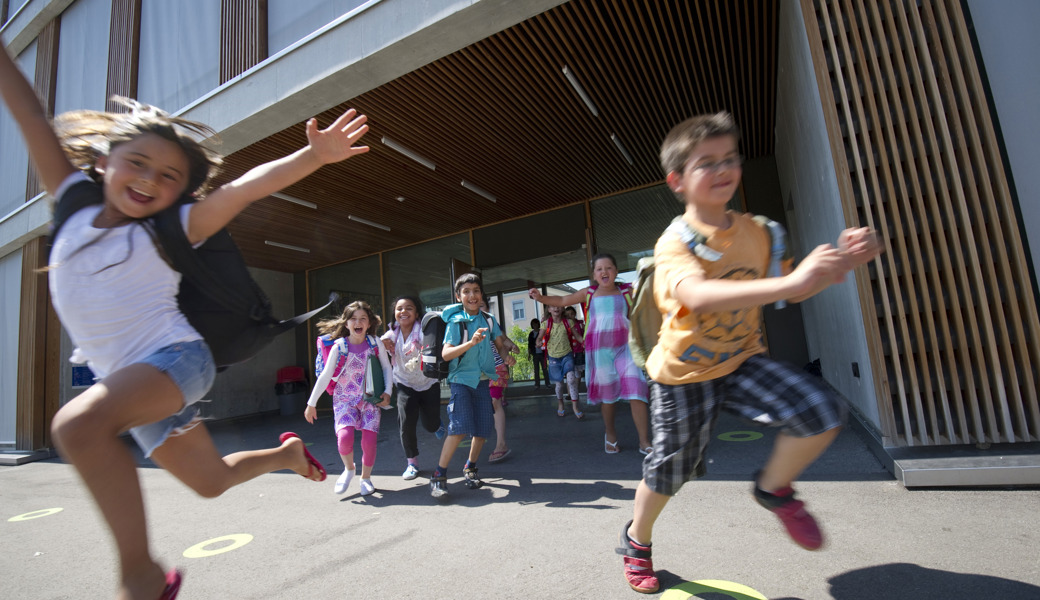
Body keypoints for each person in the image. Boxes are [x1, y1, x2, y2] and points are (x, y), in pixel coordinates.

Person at [0, 44, 369, 600]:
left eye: (169, 175)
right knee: (210, 482)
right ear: (104, 161)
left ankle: (141, 577)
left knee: (76, 427)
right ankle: (285, 454)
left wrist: (312, 156)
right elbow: (30, 114)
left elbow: (243, 190)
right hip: (129, 382)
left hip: (175, 360)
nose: (150, 180)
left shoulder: (172, 228)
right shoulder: (73, 201)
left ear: (180, 191)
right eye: (138, 163)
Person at [615, 112, 882, 593]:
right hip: (683, 375)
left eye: (731, 159)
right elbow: (694, 295)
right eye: (707, 163)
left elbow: (791, 291)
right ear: (677, 180)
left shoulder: (761, 232)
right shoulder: (676, 242)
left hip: (741, 361)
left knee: (820, 411)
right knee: (669, 473)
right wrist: (795, 279)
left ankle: (773, 488)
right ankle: (637, 540)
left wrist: (839, 260)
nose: (723, 169)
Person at [530, 256, 652, 454]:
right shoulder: (590, 293)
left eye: (609, 268)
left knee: (637, 390)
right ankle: (610, 436)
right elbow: (561, 300)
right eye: (599, 269)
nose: (604, 271)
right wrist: (540, 298)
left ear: (616, 271)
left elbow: (651, 291)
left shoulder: (626, 290)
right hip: (600, 352)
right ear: (594, 274)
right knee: (608, 396)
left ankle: (644, 442)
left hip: (626, 348)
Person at [429, 273, 515, 498]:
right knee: (459, 429)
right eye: (466, 292)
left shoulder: (488, 319)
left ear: (481, 294)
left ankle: (470, 468)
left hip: (483, 380)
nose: (472, 295)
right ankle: (439, 476)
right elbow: (446, 354)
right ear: (459, 296)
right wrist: (471, 342)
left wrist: (506, 356)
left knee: (482, 430)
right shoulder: (456, 322)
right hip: (460, 381)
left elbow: (500, 344)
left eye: (476, 290)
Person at [305, 301, 392, 496]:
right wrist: (312, 403)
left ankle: (366, 478)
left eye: (363, 318)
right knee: (344, 438)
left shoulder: (374, 342)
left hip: (370, 399)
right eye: (353, 319)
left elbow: (387, 368)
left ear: (369, 323)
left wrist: (387, 392)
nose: (358, 322)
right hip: (344, 399)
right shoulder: (339, 347)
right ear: (346, 324)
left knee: (369, 441)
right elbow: (325, 376)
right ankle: (349, 469)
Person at [380, 295, 446, 481]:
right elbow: (380, 345)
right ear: (395, 314)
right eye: (399, 308)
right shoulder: (391, 334)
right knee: (406, 424)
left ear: (417, 313)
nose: (403, 312)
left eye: (409, 308)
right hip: (404, 383)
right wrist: (383, 345)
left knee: (430, 424)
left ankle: (437, 424)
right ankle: (412, 463)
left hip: (428, 382)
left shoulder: (425, 331)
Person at [534, 305, 585, 419]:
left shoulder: (568, 322)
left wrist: (584, 342)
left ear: (562, 309)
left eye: (558, 306)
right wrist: (538, 342)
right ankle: (560, 403)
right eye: (553, 307)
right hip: (553, 357)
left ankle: (575, 407)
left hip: (567, 355)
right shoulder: (546, 324)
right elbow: (539, 337)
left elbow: (577, 336)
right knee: (559, 384)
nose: (556, 308)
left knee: (571, 380)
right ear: (549, 310)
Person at [488, 324, 520, 463]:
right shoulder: (464, 323)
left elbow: (504, 340)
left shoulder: (490, 322)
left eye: (482, 305)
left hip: (497, 369)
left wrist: (513, 347)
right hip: (477, 372)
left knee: (495, 402)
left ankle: (501, 444)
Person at [527, 316, 548, 390]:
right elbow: (529, 344)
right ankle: (537, 384)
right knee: (536, 370)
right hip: (535, 354)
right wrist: (529, 354)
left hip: (542, 353)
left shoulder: (541, 332)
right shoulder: (531, 334)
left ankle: (547, 383)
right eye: (533, 324)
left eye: (536, 324)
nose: (535, 325)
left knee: (545, 369)